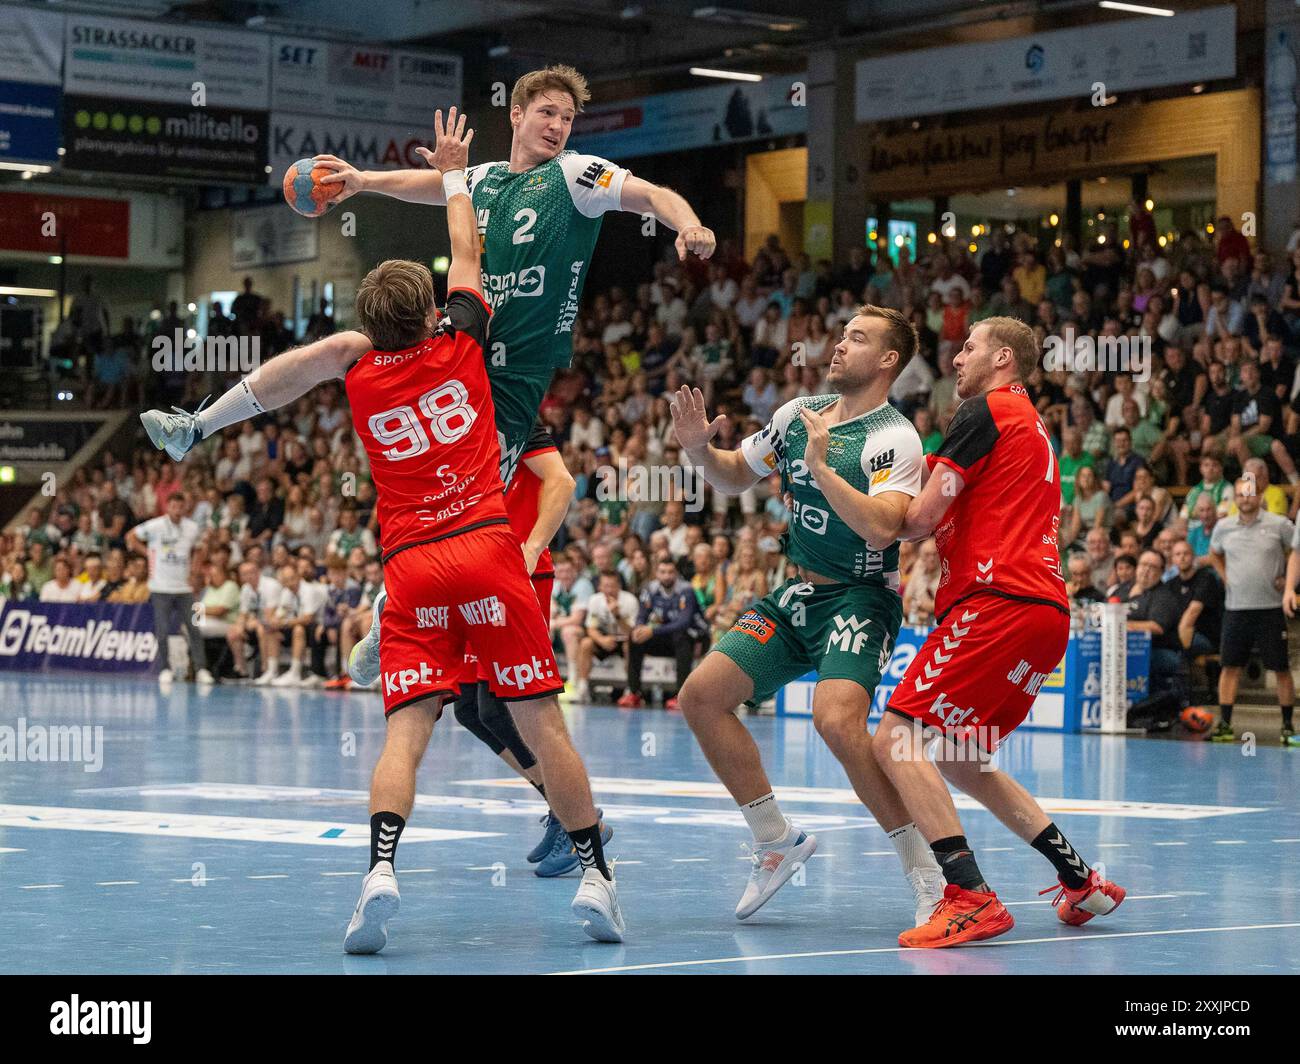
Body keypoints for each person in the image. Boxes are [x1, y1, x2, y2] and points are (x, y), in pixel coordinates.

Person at [140, 64, 715, 690]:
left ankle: (390, 621)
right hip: (455, 345)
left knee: (452, 508)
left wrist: (685, 223)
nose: (558, 126)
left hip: (510, 380)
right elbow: (433, 185)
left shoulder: (575, 176)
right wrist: (361, 181)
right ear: (516, 116)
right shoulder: (484, 179)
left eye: (567, 117)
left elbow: (651, 193)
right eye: (546, 112)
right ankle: (195, 426)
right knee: (341, 347)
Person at [670, 304, 948, 927]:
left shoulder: (893, 436)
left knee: (837, 721)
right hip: (798, 595)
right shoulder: (796, 416)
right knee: (700, 697)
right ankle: (776, 840)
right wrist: (696, 449)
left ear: (888, 361)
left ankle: (927, 873)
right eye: (842, 333)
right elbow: (734, 477)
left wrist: (821, 470)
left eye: (858, 338)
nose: (840, 345)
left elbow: (884, 530)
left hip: (860, 596)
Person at [875, 316, 1125, 949]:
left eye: (970, 347)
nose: (958, 358)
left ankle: (969, 896)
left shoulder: (987, 409)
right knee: (962, 753)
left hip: (998, 602)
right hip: (1043, 613)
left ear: (1003, 358)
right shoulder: (1029, 425)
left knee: (897, 737)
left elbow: (920, 518)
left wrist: (834, 484)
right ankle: (1081, 880)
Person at [451, 421, 612, 878]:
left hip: (521, 573)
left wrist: (531, 546)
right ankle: (562, 809)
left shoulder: (515, 419)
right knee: (468, 707)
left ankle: (578, 820)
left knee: (502, 707)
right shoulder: (459, 424)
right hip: (476, 575)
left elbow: (562, 481)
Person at [1206, 476, 1297, 747]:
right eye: (1241, 494)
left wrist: (1288, 581)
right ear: (1235, 497)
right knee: (1230, 666)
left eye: (1250, 493)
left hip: (1269, 608)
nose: (1246, 498)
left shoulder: (1278, 524)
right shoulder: (1223, 527)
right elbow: (1214, 554)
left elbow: (1296, 550)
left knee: (1280, 668)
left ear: (1260, 495)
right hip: (1236, 609)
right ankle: (1225, 723)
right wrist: (1225, 576)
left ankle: (1288, 726)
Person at [127, 492, 210, 685]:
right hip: (160, 586)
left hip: (185, 588)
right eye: (173, 506)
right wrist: (147, 552)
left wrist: (195, 569)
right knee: (162, 629)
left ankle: (201, 669)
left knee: (195, 627)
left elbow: (201, 548)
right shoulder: (155, 525)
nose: (177, 510)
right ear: (167, 507)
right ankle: (165, 668)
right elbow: (130, 536)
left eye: (180, 507)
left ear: (185, 508)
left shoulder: (192, 527)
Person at [621, 557, 701, 709]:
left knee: (681, 636)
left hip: (694, 638)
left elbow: (683, 623)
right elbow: (642, 615)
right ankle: (634, 693)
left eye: (670, 572)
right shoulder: (650, 589)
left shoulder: (686, 590)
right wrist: (639, 628)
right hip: (666, 637)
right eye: (662, 572)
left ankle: (681, 696)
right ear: (656, 573)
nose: (666, 576)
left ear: (676, 573)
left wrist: (652, 630)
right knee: (635, 638)